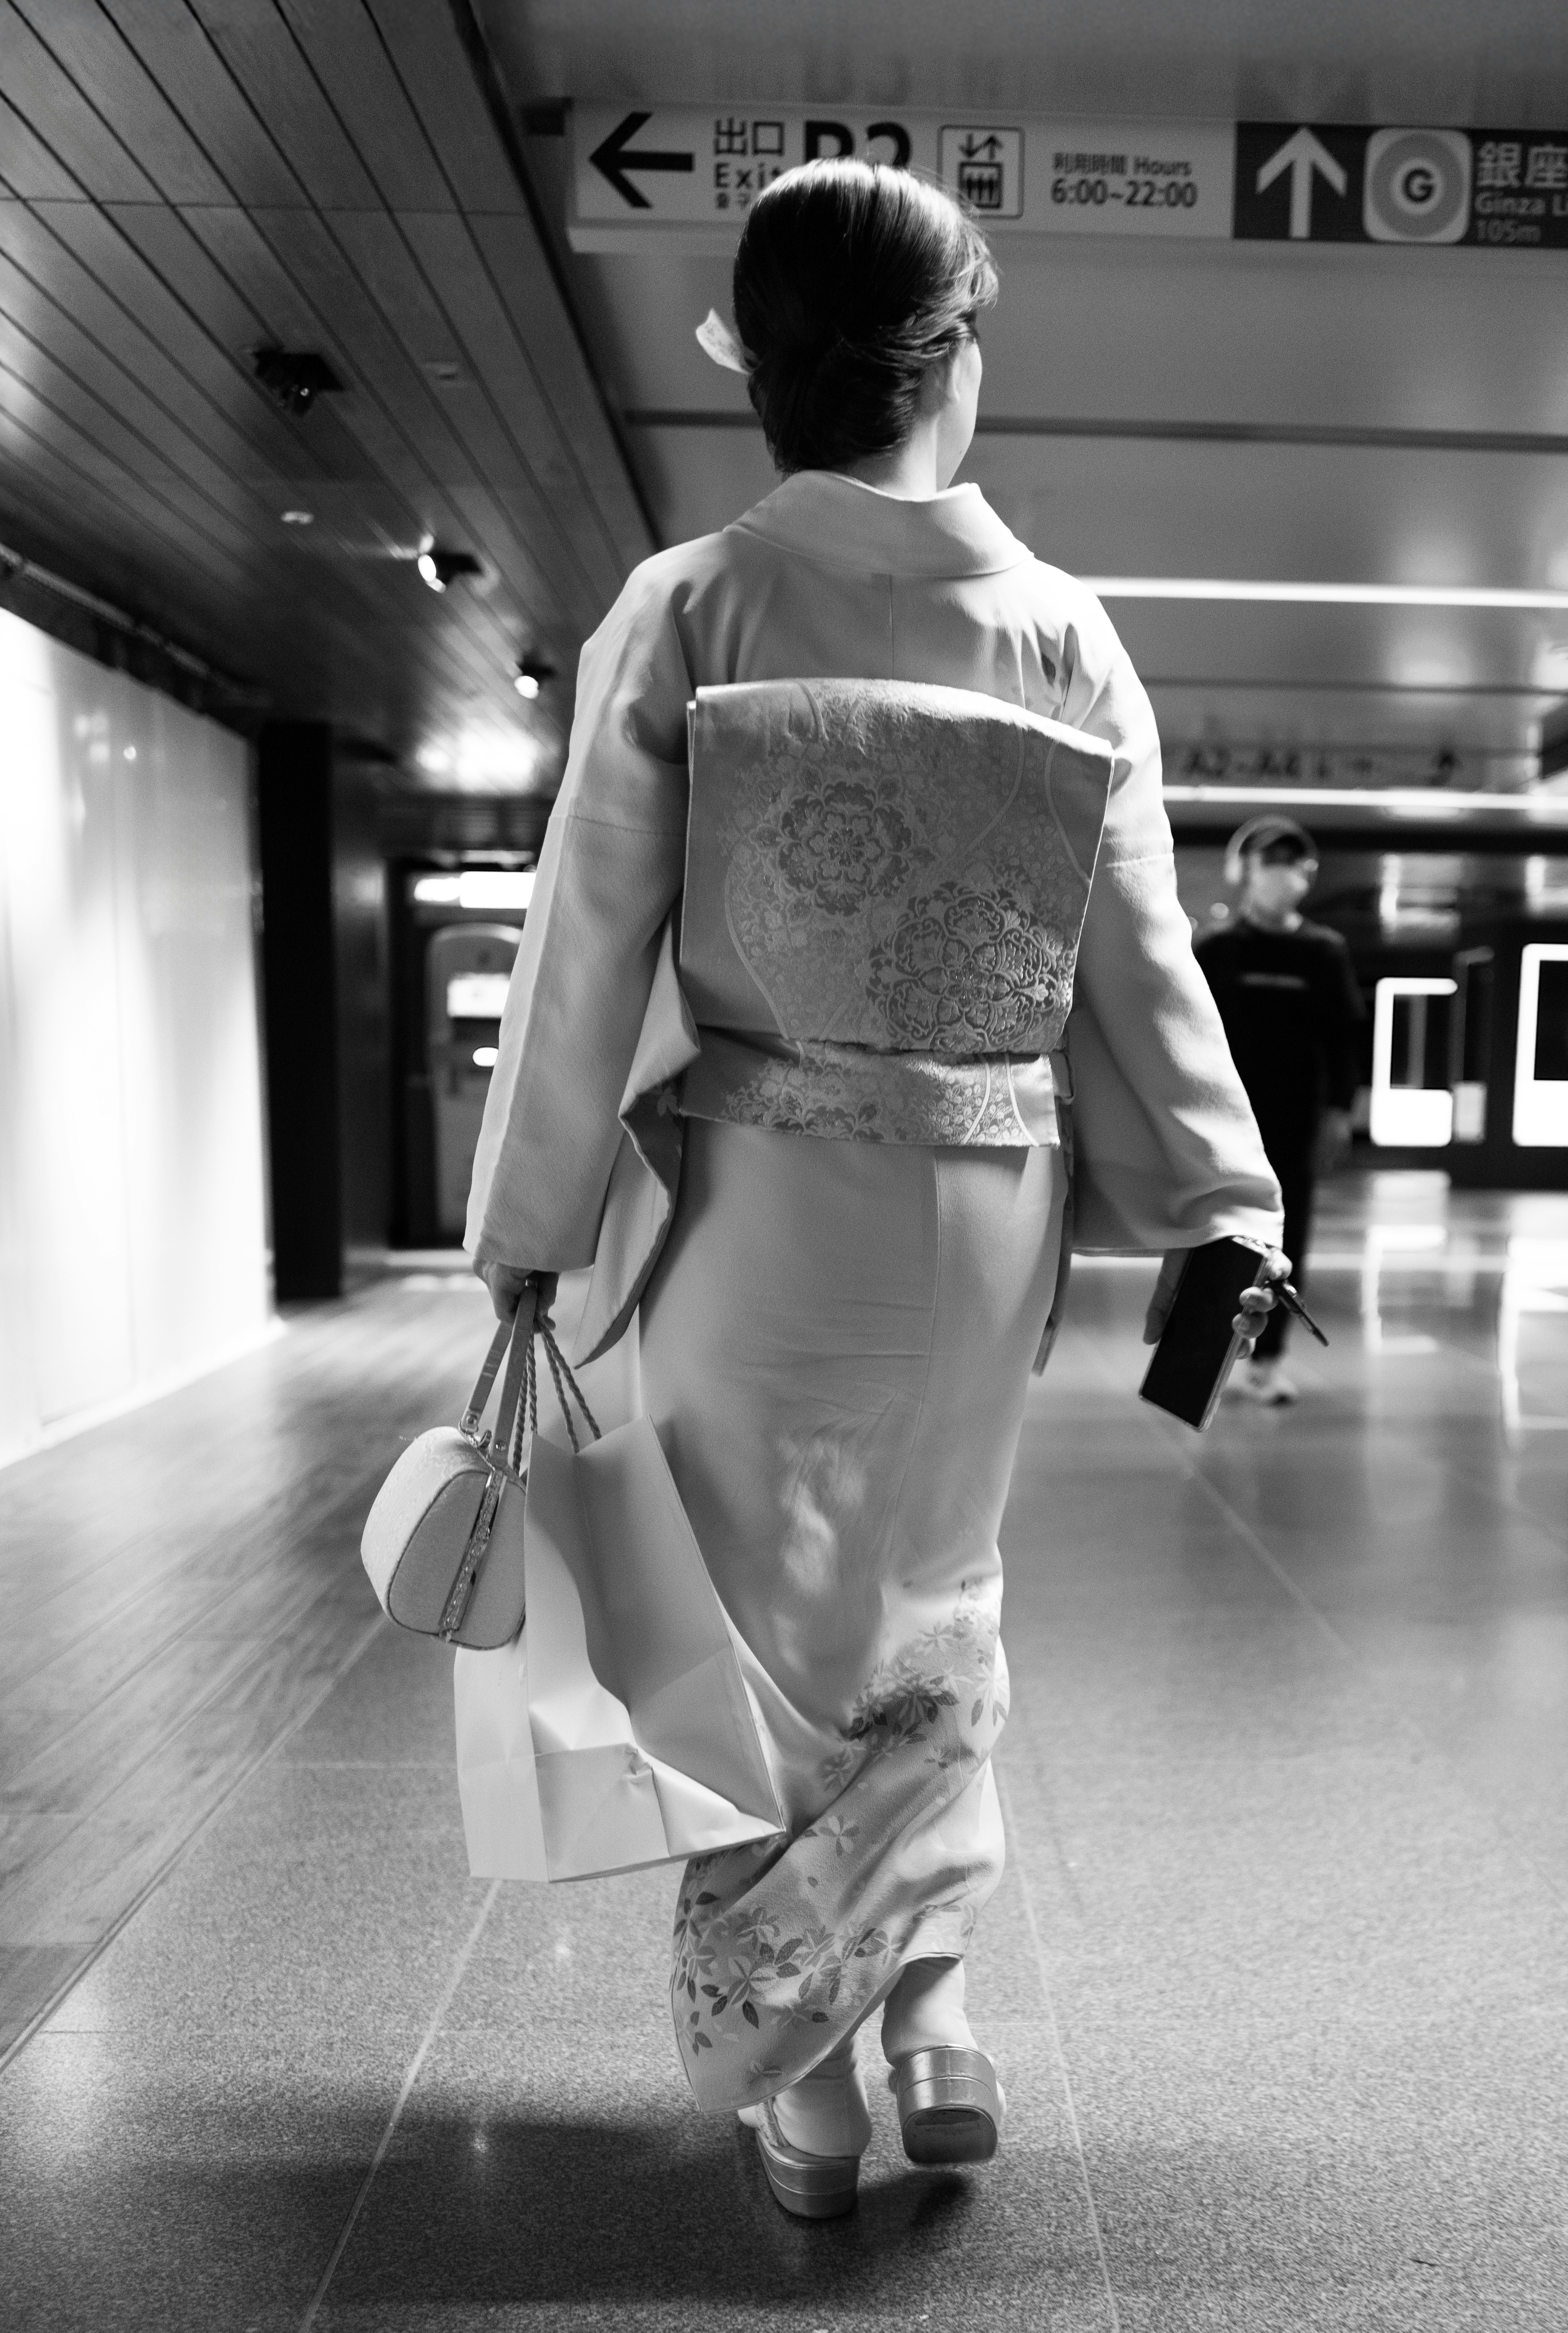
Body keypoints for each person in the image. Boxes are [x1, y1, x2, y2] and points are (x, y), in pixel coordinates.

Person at [464, 158, 1283, 2220]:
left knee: (769, 1635)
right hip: (985, 1200)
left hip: (768, 1181)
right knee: (938, 1602)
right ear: (956, 355)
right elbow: (1139, 954)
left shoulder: (691, 604)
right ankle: (933, 2013)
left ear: (771, 370)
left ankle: (804, 2081)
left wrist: (526, 1233)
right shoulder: (1065, 634)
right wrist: (1220, 1195)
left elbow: (584, 947)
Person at [1192, 816, 1362, 1404]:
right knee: (1217, 1237)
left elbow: (1344, 1040)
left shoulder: (1323, 952)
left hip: (1295, 1122)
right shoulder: (1217, 950)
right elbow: (1190, 1037)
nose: (1282, 876)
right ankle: (1205, 1359)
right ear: (1245, 872)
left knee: (1287, 1242)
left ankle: (1267, 1362)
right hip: (1226, 1122)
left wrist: (1340, 1112)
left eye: (1294, 865)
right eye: (1270, 864)